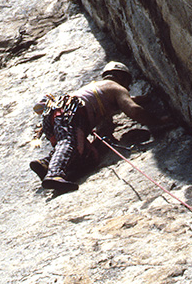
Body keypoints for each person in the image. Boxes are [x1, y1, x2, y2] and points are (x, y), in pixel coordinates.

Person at [31, 61, 167, 192]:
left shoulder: (99, 87)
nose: (128, 88)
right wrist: (159, 121)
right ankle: (54, 174)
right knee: (69, 143)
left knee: (88, 156)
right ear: (121, 76)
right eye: (128, 83)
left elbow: (125, 102)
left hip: (57, 117)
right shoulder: (116, 87)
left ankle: (45, 163)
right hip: (72, 114)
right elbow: (133, 109)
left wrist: (143, 98)